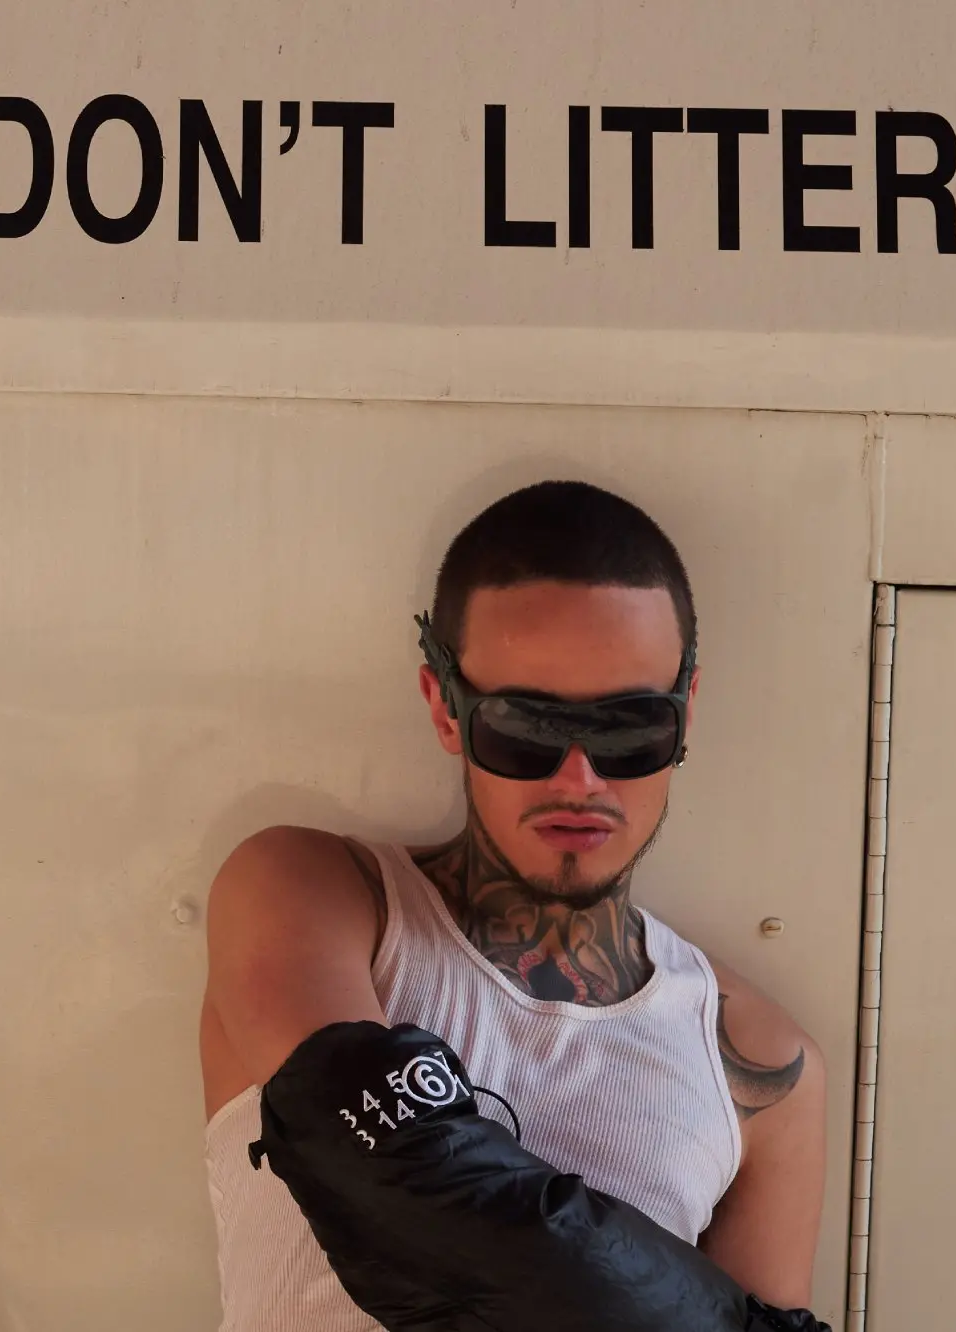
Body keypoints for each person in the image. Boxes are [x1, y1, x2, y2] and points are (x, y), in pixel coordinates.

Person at [199, 480, 828, 1330]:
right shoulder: (312, 896)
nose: (580, 778)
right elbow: (411, 1188)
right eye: (526, 729)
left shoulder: (760, 1067)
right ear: (445, 711)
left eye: (629, 728)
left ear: (684, 716)